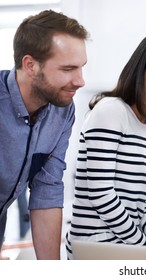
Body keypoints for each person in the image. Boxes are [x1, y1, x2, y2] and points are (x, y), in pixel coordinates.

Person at [65, 33, 146, 259]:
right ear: (138, 73)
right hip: (94, 248)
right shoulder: (111, 111)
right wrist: (144, 245)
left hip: (119, 247)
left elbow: (136, 204)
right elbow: (101, 193)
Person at [0, 10, 88, 259]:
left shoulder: (62, 111)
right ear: (30, 65)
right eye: (68, 69)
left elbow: (46, 188)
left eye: (81, 67)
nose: (80, 81)